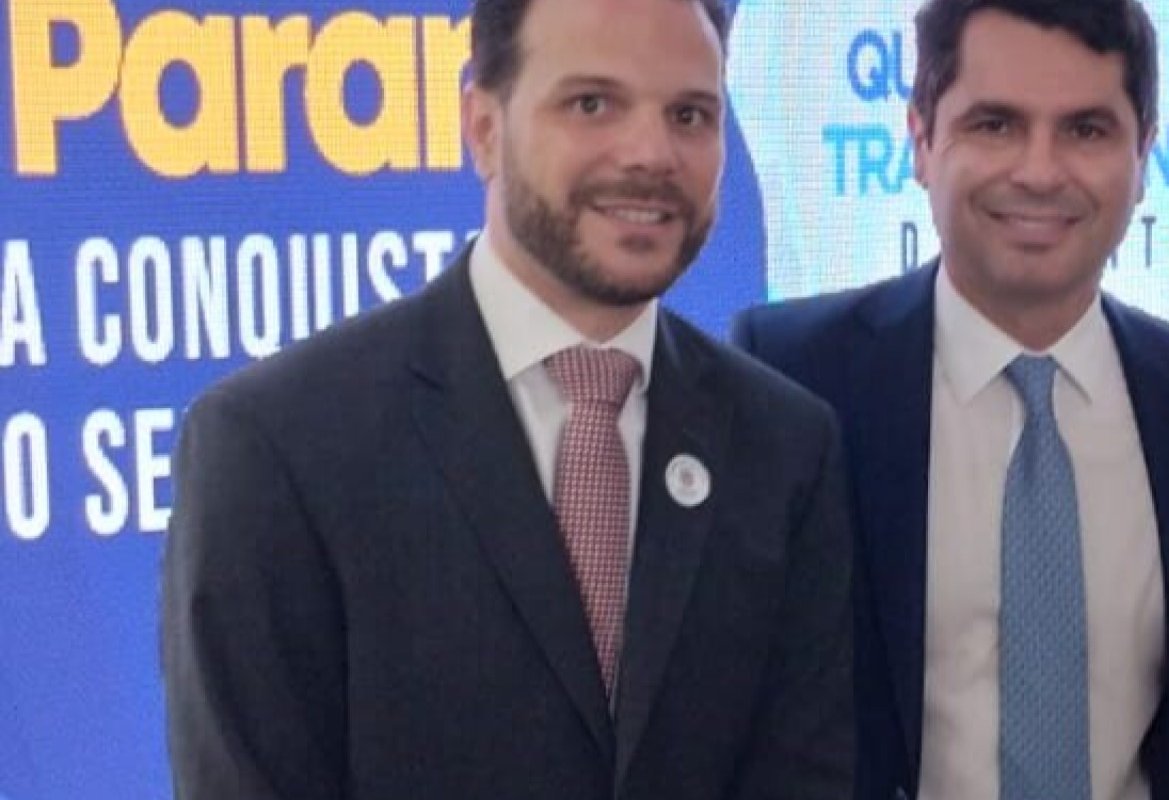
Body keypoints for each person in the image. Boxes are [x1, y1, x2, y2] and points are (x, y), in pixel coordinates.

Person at [160, 0, 855, 797]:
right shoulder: (278, 446)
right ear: (483, 127)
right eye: (591, 103)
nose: (651, 153)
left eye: (690, 115)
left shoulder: (785, 446)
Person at [732, 1, 1169, 798]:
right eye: (995, 125)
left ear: (1144, 154)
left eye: (1086, 130)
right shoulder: (793, 378)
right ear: (920, 140)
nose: (1040, 171)